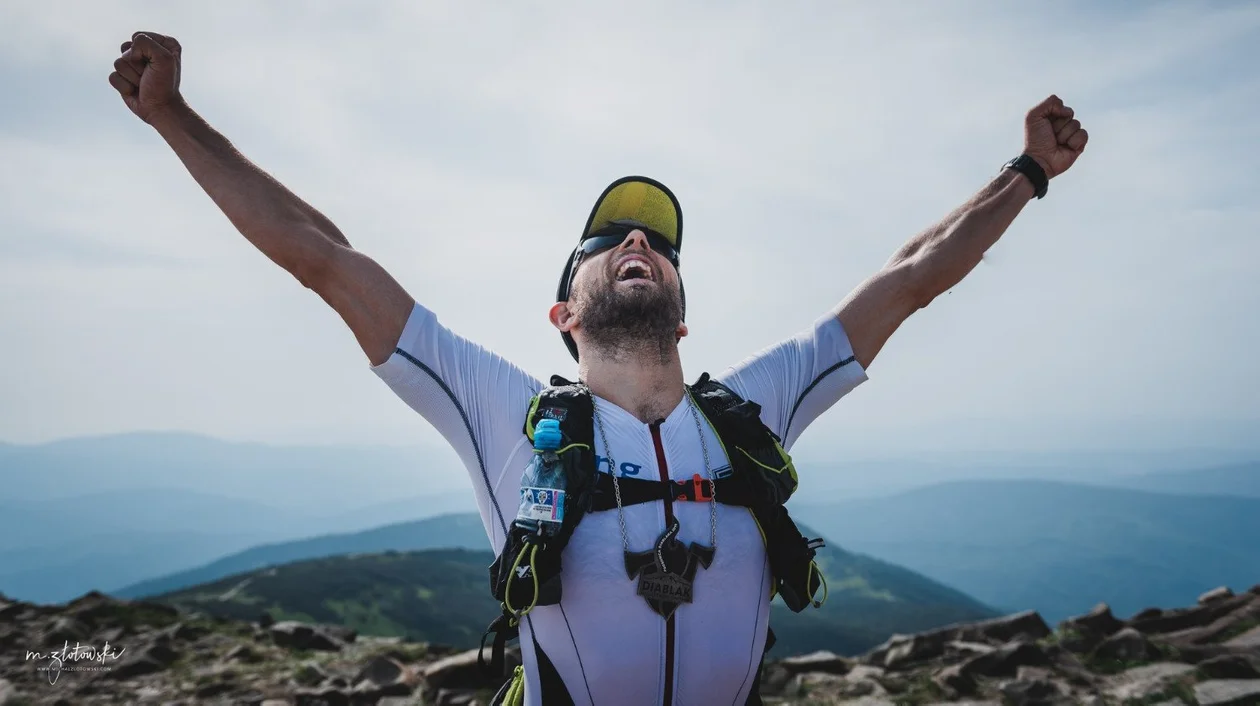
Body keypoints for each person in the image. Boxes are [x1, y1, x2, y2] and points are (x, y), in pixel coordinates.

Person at [109, 30, 1089, 706]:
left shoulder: (753, 407)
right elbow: (321, 253)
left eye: (656, 241)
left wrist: (1028, 174)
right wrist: (175, 116)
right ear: (563, 313)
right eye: (607, 237)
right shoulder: (502, 407)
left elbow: (909, 278)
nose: (635, 237)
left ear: (680, 309)